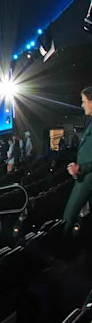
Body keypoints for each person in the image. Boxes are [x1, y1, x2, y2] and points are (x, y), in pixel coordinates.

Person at [63, 86, 92, 235]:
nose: (82, 105)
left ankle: (61, 251)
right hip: (85, 176)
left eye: (84, 101)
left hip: (86, 177)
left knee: (68, 217)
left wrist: (80, 168)